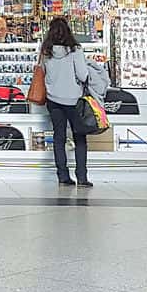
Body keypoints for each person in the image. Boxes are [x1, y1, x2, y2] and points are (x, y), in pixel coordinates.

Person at [39, 15, 92, 188]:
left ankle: (63, 176)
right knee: (80, 137)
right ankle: (82, 177)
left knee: (59, 138)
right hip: (73, 100)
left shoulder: (46, 50)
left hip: (53, 100)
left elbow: (42, 72)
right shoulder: (75, 50)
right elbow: (83, 75)